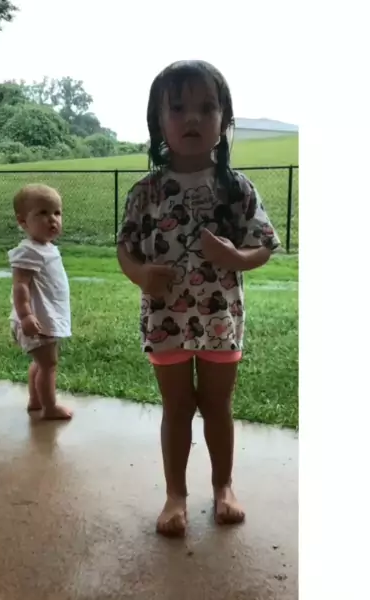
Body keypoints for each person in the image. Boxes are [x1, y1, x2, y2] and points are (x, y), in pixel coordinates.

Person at [117, 60, 281, 537]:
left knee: (217, 406)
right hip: (165, 318)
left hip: (220, 320)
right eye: (178, 108)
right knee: (176, 408)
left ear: (224, 120)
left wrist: (236, 257)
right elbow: (125, 248)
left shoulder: (236, 188)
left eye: (207, 108)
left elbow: (264, 245)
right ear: (158, 121)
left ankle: (224, 486)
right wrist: (140, 273)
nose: (192, 118)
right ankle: (175, 495)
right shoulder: (146, 192)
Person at [8, 184, 73, 420]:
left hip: (45, 318)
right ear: (23, 221)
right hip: (36, 319)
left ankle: (35, 400)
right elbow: (20, 286)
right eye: (43, 213)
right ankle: (50, 407)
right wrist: (25, 315)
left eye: (57, 213)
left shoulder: (46, 248)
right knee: (48, 365)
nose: (52, 219)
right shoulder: (28, 251)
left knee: (40, 363)